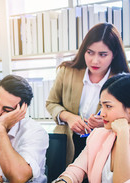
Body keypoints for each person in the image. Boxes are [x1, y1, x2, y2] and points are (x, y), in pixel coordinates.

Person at [46, 23, 130, 167]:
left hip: (104, 145)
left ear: (114, 54)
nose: (94, 60)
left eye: (103, 54)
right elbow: (51, 103)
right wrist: (69, 117)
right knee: (64, 181)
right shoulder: (67, 71)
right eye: (90, 52)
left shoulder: (122, 81)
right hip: (67, 142)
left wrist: (104, 124)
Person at [48, 73, 130, 183]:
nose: (102, 113)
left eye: (108, 106)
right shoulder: (99, 135)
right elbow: (78, 169)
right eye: (101, 105)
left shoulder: (120, 134)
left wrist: (123, 134)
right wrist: (63, 181)